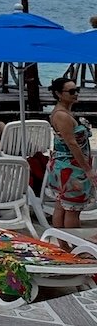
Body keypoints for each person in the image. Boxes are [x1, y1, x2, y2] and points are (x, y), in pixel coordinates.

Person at [47, 76, 94, 231]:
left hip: (64, 165)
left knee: (62, 205)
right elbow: (72, 143)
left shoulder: (64, 112)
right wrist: (87, 169)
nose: (76, 94)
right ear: (59, 94)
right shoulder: (62, 115)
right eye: (72, 91)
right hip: (70, 167)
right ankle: (73, 241)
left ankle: (63, 242)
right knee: (73, 209)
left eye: (77, 90)